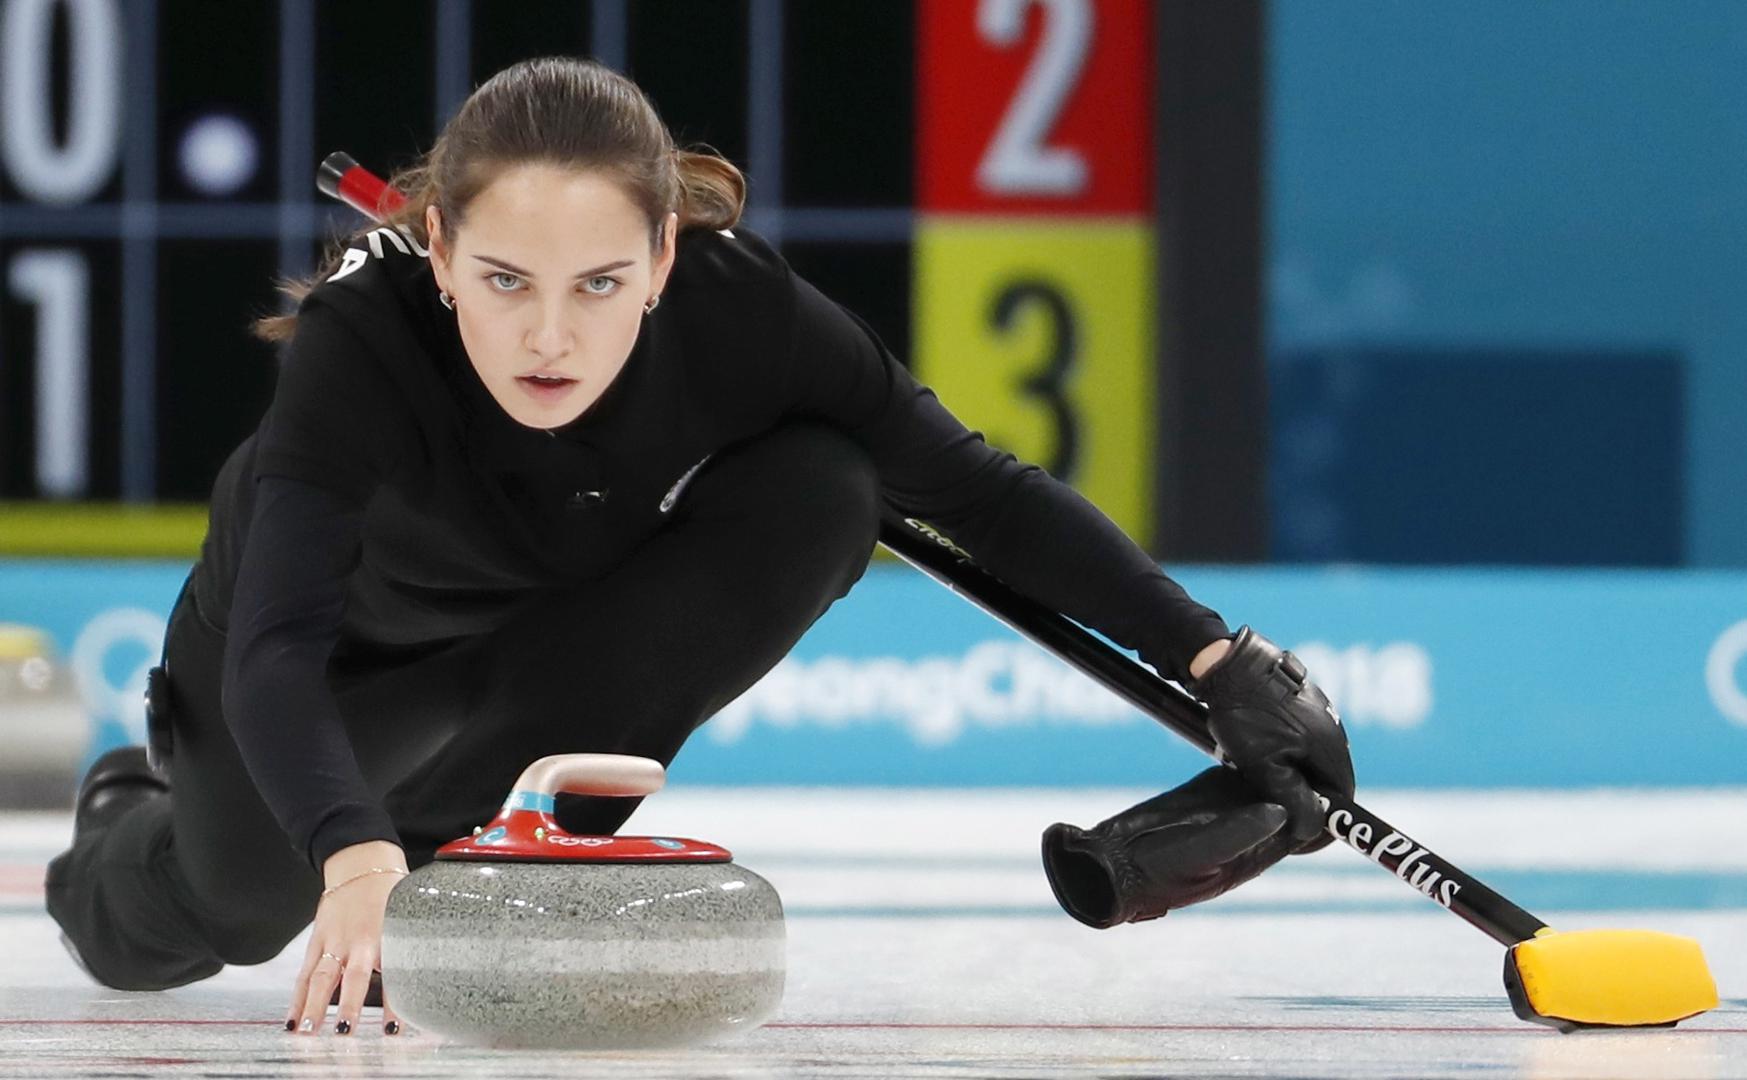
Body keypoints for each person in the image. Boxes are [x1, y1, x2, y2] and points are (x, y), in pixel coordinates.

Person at [43, 56, 1354, 1039]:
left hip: (537, 643)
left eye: (599, 284)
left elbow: (982, 495)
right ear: (437, 247)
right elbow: (277, 643)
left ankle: (511, 822)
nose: (549, 337)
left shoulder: (748, 314)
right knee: (222, 913)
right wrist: (352, 849)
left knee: (830, 485)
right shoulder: (363, 339)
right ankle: (130, 808)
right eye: (505, 281)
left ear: (667, 253)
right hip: (319, 664)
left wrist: (1213, 655)